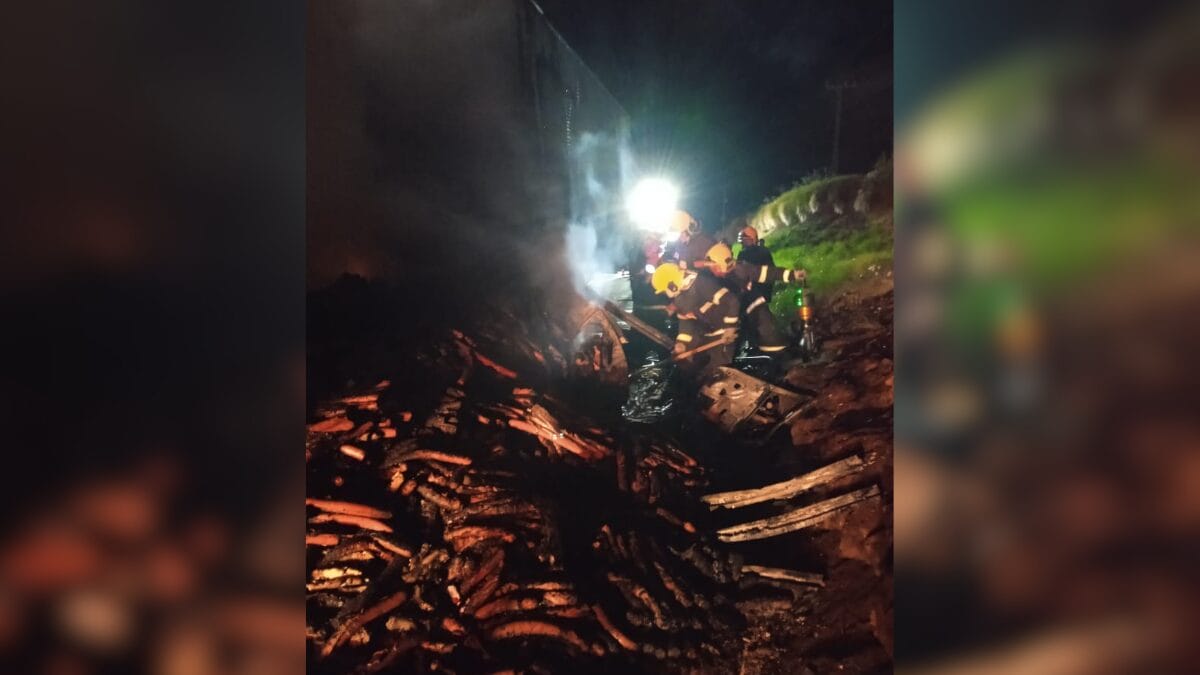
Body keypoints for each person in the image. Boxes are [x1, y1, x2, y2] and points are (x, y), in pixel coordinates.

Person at [704, 242, 805, 354]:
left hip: (756, 314)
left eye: (712, 266)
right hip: (735, 321)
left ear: (720, 264)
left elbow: (767, 273)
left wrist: (792, 275)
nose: (711, 269)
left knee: (773, 344)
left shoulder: (742, 270)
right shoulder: (711, 281)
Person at [650, 262, 739, 375]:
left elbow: (732, 301)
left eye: (664, 291)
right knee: (698, 369)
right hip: (705, 333)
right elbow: (685, 323)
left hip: (723, 333)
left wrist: (730, 327)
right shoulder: (679, 298)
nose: (666, 294)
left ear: (672, 285)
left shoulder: (701, 283)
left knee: (720, 371)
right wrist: (681, 344)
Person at [736, 226, 778, 304]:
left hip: (751, 296)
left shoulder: (743, 254)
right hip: (764, 294)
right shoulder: (764, 251)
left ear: (750, 239)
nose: (742, 242)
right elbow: (772, 271)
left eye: (744, 239)